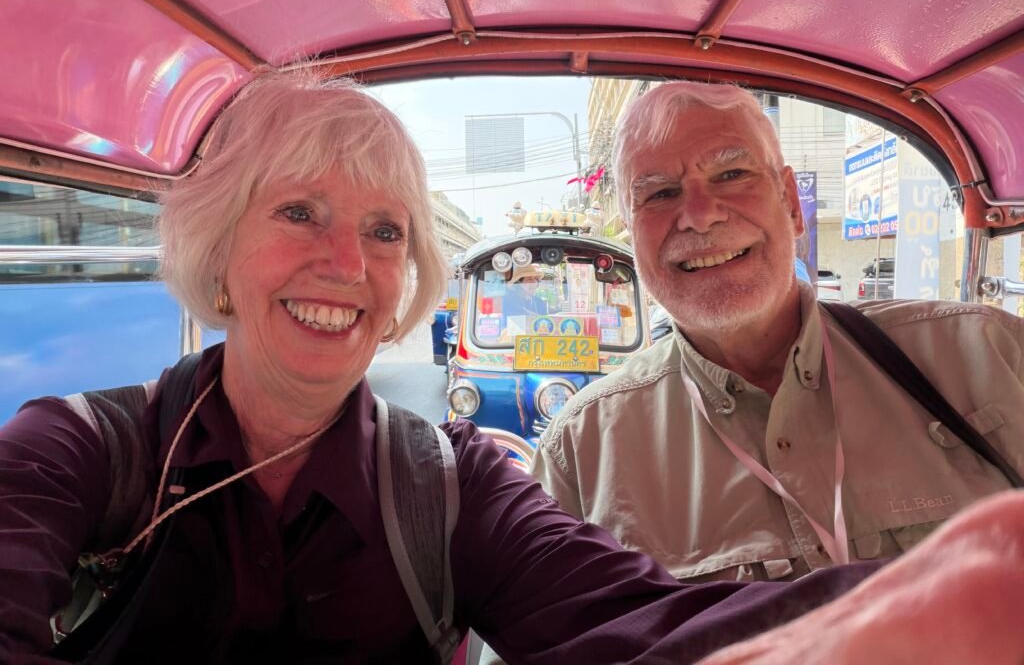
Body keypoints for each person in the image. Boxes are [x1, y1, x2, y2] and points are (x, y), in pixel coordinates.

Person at [0, 73, 1018, 665]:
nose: (346, 264)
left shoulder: (453, 485)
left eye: (384, 231)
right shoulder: (77, 450)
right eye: (300, 213)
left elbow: (637, 627)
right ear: (218, 247)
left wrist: (945, 590)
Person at [532, 80, 1024, 588]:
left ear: (790, 202)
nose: (700, 215)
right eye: (659, 194)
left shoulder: (992, 356)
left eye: (732, 174)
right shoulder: (581, 453)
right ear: (631, 233)